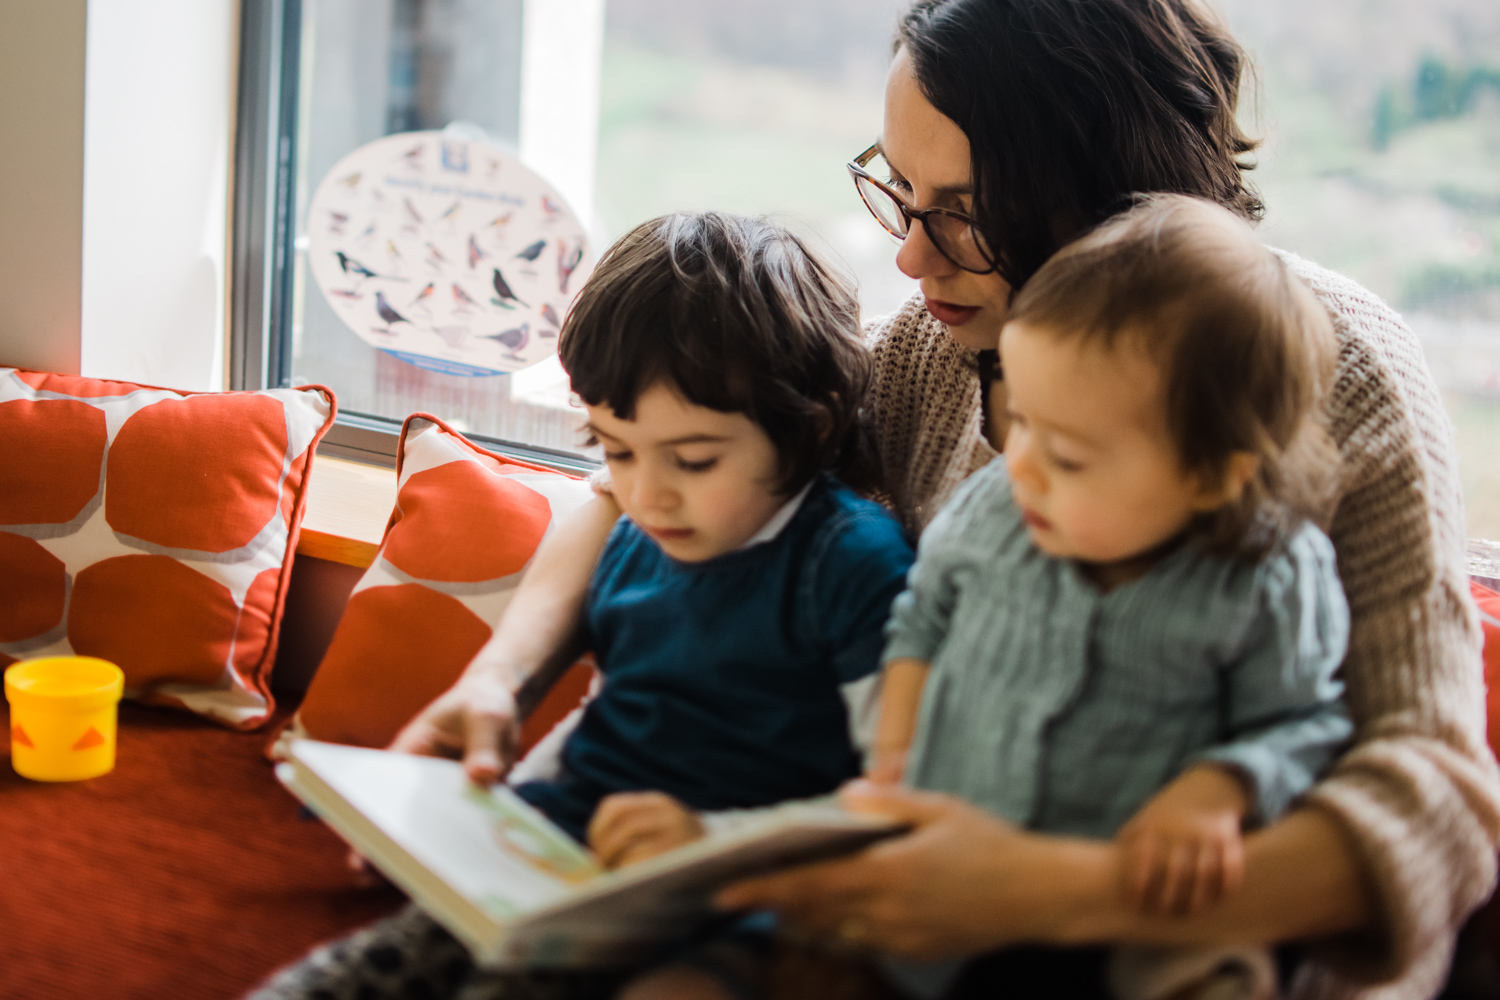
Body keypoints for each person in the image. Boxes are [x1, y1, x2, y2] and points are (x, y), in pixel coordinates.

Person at [388, 2, 1500, 998]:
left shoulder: (1336, 368)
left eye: (967, 212)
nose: (914, 258)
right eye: (901, 194)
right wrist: (500, 676)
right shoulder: (937, 343)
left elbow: (1440, 809)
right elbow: (657, 474)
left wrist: (1056, 893)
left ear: (1119, 196)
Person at [246, 211, 914, 1000]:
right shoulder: (635, 534)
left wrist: (711, 838)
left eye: (693, 460)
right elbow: (608, 714)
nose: (645, 493)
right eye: (615, 450)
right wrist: (458, 823)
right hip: (554, 857)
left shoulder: (853, 562)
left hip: (731, 896)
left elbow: (894, 790)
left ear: (814, 424)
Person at [868, 194, 1351, 1000]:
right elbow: (923, 615)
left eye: (1069, 455)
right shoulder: (999, 507)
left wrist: (1220, 787)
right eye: (1020, 421)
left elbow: (1306, 723)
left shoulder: (1271, 573)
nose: (1018, 464)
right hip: (953, 877)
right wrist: (892, 757)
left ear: (1213, 474)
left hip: (1132, 916)